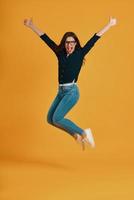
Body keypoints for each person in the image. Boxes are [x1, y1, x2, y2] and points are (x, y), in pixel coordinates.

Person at [24, 17, 117, 150]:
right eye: (67, 43)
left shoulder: (80, 53)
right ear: (64, 44)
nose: (69, 45)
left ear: (75, 43)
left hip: (72, 92)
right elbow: (46, 39)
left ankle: (84, 133)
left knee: (57, 118)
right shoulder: (60, 53)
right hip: (61, 92)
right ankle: (76, 135)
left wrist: (109, 24)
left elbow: (95, 39)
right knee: (50, 119)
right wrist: (31, 25)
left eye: (72, 42)